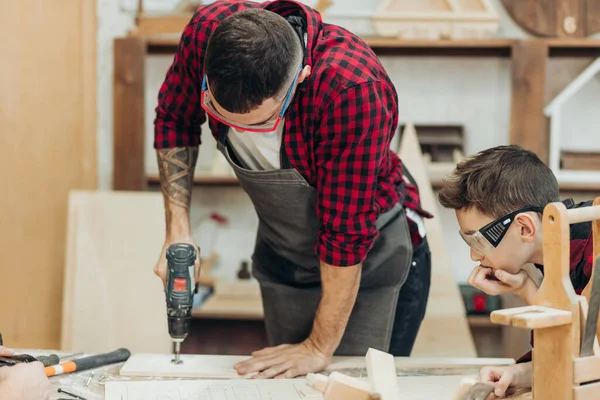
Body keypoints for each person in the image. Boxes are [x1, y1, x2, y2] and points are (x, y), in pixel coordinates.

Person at [152, 0, 432, 379]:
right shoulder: (208, 33)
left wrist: (318, 347)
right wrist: (177, 232)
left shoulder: (352, 89)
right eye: (218, 113)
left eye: (262, 123)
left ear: (299, 79)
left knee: (355, 386)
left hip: (369, 259)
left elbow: (345, 234)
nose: (243, 132)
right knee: (288, 385)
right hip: (285, 252)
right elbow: (175, 118)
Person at [437, 145, 593, 398]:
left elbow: (588, 364)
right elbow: (572, 353)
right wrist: (519, 374)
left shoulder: (592, 250)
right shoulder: (558, 253)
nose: (474, 255)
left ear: (524, 228)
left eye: (478, 241)